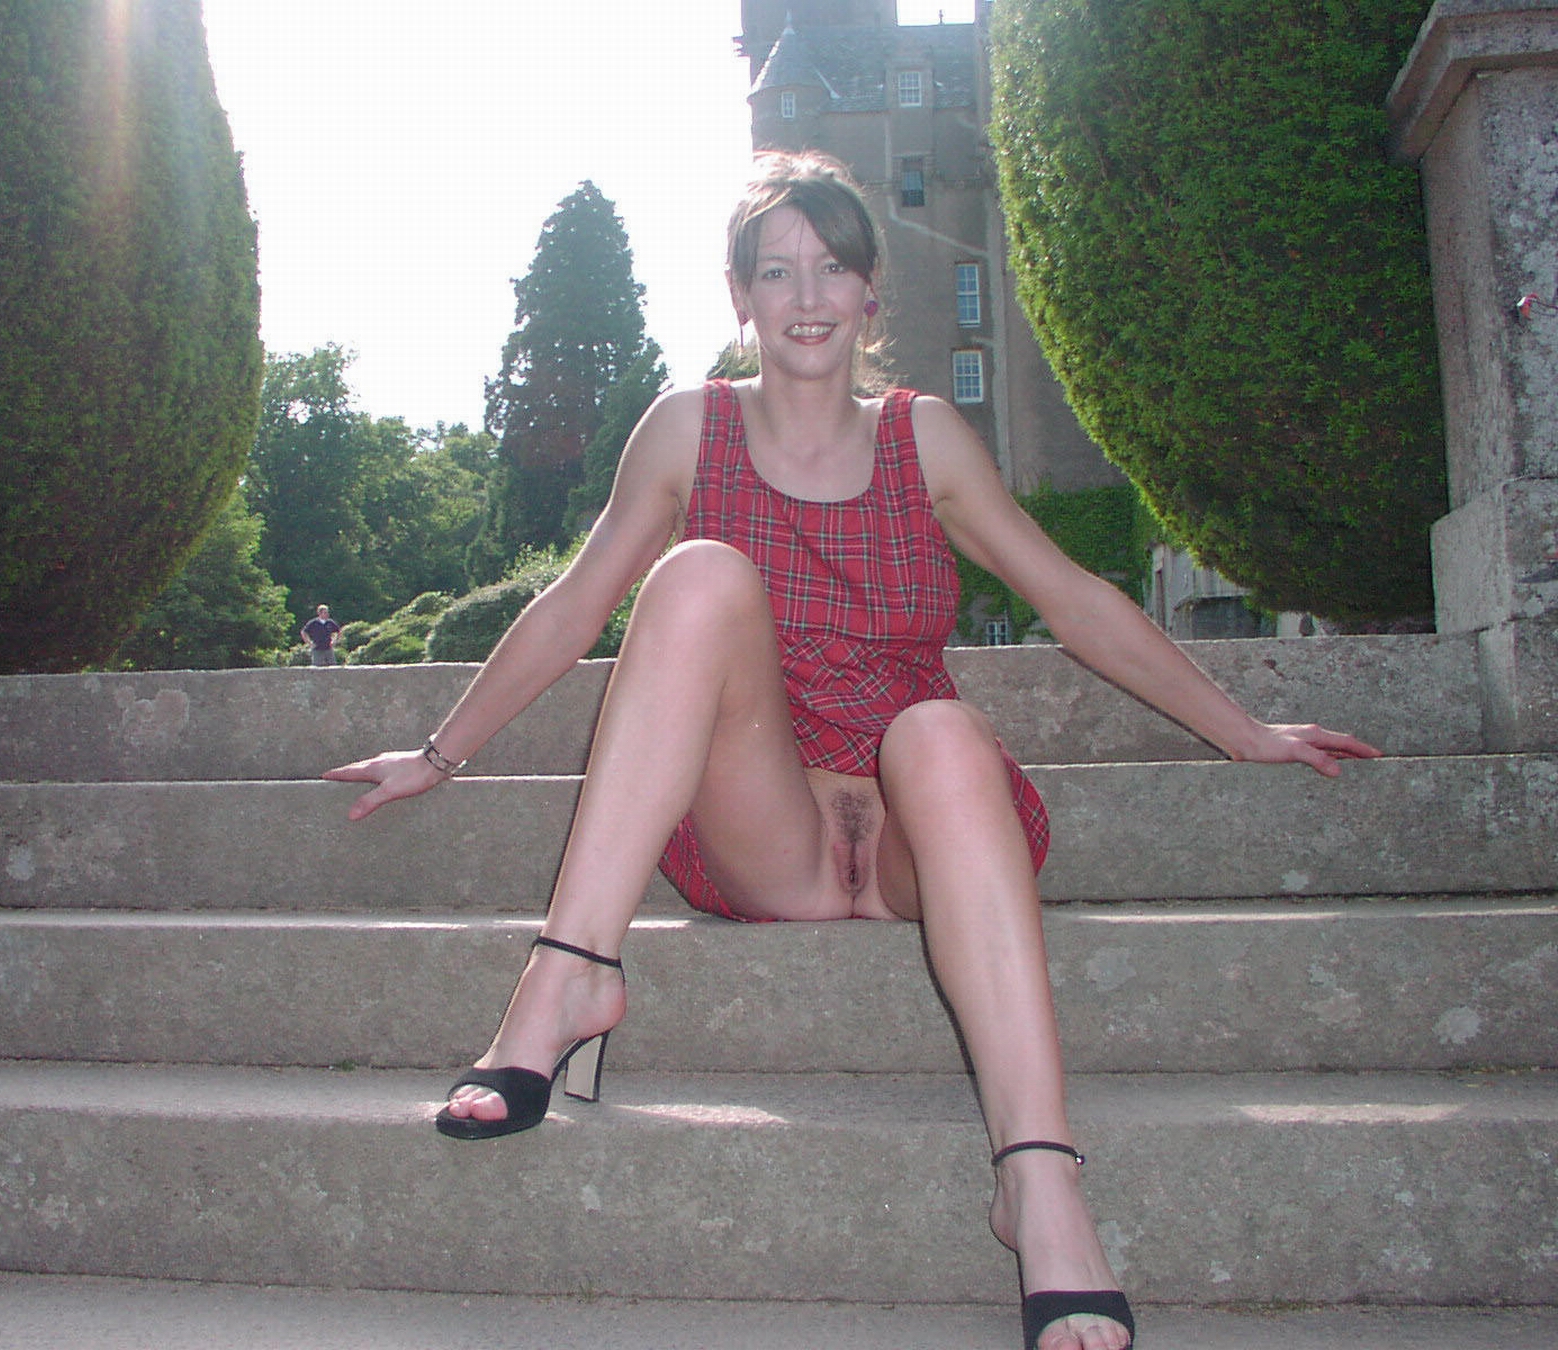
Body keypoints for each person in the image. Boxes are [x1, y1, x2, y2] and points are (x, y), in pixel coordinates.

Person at [324, 151, 1379, 1350]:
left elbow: (1070, 597)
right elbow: (575, 605)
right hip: (763, 829)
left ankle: (1039, 1182)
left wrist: (1242, 730)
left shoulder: (926, 439)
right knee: (697, 576)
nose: (807, 295)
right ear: (740, 298)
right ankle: (570, 972)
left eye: (832, 266)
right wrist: (440, 752)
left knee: (940, 728)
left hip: (923, 837)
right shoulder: (686, 430)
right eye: (776, 271)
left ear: (871, 293)